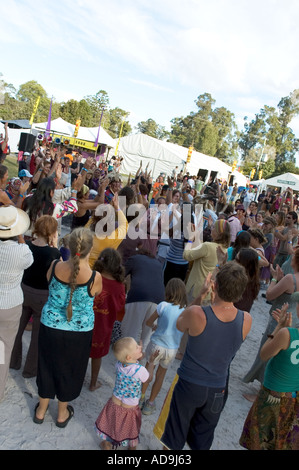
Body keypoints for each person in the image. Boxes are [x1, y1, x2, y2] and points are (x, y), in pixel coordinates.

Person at [159, 262, 252, 450]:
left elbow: (179, 324)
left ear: (214, 286)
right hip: (218, 388)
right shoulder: (246, 319)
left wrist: (200, 296)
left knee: (174, 437)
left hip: (189, 384)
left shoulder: (197, 313)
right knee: (202, 441)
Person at [33, 227, 102, 426]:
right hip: (79, 332)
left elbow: (49, 282)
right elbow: (96, 294)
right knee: (69, 369)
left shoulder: (55, 265)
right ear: (90, 249)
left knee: (46, 365)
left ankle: (41, 410)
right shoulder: (94, 277)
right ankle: (62, 414)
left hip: (50, 326)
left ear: (69, 246)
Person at [240, 303, 299, 450]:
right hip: (292, 400)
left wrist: (279, 327)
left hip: (272, 398)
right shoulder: (289, 333)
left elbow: (264, 354)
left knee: (259, 442)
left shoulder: (287, 334)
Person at [10, 216, 61, 378]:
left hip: (23, 290)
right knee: (37, 336)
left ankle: (13, 361)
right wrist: (56, 244)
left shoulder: (26, 246)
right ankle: (30, 370)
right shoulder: (53, 252)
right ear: (52, 232)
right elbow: (59, 271)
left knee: (17, 330)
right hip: (42, 295)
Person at [243, 248, 299, 389]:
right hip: (293, 320)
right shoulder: (289, 279)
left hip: (279, 318)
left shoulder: (290, 278)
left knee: (267, 350)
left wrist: (274, 278)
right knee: (279, 356)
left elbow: (269, 295)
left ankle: (261, 386)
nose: (291, 257)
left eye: (293, 256)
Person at [0, 205, 33, 401]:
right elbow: (28, 260)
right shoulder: (22, 251)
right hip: (11, 303)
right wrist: (20, 235)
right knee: (4, 349)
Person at [140, 278, 187, 415]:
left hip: (156, 344)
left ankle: (141, 398)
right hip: (172, 349)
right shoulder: (184, 311)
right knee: (161, 375)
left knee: (149, 369)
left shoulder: (163, 306)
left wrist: (155, 326)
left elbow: (148, 322)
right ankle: (150, 403)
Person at [94, 337, 151, 450]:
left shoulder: (119, 365)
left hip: (115, 402)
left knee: (111, 423)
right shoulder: (140, 370)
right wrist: (152, 363)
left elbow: (130, 361)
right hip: (130, 406)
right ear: (129, 357)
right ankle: (132, 447)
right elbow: (148, 379)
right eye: (137, 347)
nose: (140, 347)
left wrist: (137, 353)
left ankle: (107, 444)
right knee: (131, 428)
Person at [89, 248, 126, 391]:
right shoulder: (119, 286)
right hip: (103, 327)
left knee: (80, 351)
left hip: (86, 323)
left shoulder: (92, 276)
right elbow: (119, 307)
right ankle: (93, 383)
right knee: (97, 356)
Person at [121, 248, 165, 352]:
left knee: (131, 331)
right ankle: (141, 356)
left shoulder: (134, 258)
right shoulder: (158, 263)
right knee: (147, 335)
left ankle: (127, 357)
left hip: (138, 295)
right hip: (158, 300)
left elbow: (120, 276)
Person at [234, 248, 260, 313]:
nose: (233, 261)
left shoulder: (237, 280)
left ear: (244, 264)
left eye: (237, 259)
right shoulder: (254, 281)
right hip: (242, 318)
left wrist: (219, 264)